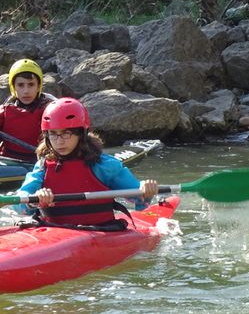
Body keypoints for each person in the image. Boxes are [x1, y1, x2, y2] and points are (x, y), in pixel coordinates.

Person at [15, 97, 159, 230]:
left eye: (66, 133)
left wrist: (145, 191)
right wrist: (34, 200)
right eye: (53, 134)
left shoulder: (104, 166)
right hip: (54, 230)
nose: (59, 141)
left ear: (81, 134)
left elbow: (140, 203)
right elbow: (19, 203)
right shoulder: (42, 167)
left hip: (102, 230)